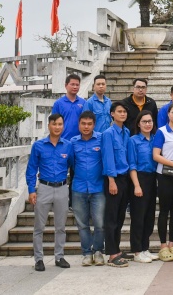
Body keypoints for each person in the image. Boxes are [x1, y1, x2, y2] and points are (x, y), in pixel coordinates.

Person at [26, 113, 72, 272]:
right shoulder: (38, 146)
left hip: (62, 188)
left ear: (63, 126)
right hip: (44, 188)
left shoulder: (68, 145)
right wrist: (32, 190)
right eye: (54, 124)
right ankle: (38, 259)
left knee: (61, 226)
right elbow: (31, 169)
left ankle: (59, 256)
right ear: (49, 125)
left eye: (60, 124)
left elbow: (73, 166)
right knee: (39, 226)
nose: (57, 127)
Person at [68, 111, 105, 267]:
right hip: (79, 188)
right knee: (82, 224)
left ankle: (98, 251)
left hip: (98, 188)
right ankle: (86, 253)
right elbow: (71, 163)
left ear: (94, 125)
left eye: (89, 124)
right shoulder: (73, 142)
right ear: (79, 124)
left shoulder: (101, 139)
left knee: (100, 223)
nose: (86, 127)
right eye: (83, 123)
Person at [152, 101, 173, 262]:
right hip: (165, 174)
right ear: (168, 114)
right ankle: (163, 245)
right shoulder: (161, 132)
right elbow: (156, 155)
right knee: (164, 210)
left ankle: (172, 243)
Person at [102, 102, 134, 268]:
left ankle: (118, 249)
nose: (122, 114)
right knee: (112, 217)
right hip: (113, 179)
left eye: (124, 112)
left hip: (125, 178)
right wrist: (112, 180)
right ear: (112, 114)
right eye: (119, 111)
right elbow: (108, 157)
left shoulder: (126, 132)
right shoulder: (108, 133)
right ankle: (112, 253)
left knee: (121, 216)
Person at [128, 111, 158, 263]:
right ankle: (137, 251)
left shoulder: (155, 139)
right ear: (138, 123)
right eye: (144, 121)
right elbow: (132, 164)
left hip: (153, 179)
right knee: (138, 217)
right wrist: (136, 185)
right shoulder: (133, 141)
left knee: (149, 216)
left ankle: (145, 248)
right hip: (139, 178)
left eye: (150, 121)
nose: (148, 124)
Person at [52, 73, 85, 140]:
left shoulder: (84, 103)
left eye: (77, 85)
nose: (75, 87)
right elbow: (54, 124)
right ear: (66, 85)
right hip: (63, 140)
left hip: (80, 141)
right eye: (72, 84)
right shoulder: (58, 103)